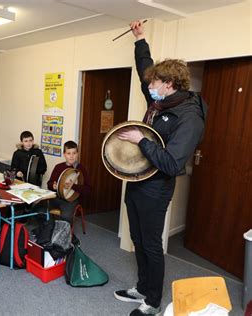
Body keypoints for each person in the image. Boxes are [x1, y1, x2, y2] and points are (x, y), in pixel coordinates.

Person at [113, 20, 207, 316]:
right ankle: (141, 287)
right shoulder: (161, 102)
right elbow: (146, 68)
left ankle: (152, 301)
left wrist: (141, 140)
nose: (148, 88)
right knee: (137, 238)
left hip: (158, 186)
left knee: (151, 243)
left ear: (169, 84)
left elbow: (172, 162)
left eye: (153, 84)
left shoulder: (189, 117)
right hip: (137, 180)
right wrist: (140, 39)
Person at [47, 141, 90, 223]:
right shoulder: (58, 167)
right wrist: (53, 185)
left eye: (74, 153)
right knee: (42, 209)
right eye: (68, 153)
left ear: (77, 154)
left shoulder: (81, 169)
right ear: (64, 154)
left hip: (71, 200)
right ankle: (52, 230)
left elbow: (88, 189)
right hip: (57, 197)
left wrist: (73, 186)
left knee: (66, 216)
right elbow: (49, 183)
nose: (71, 156)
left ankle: (66, 233)